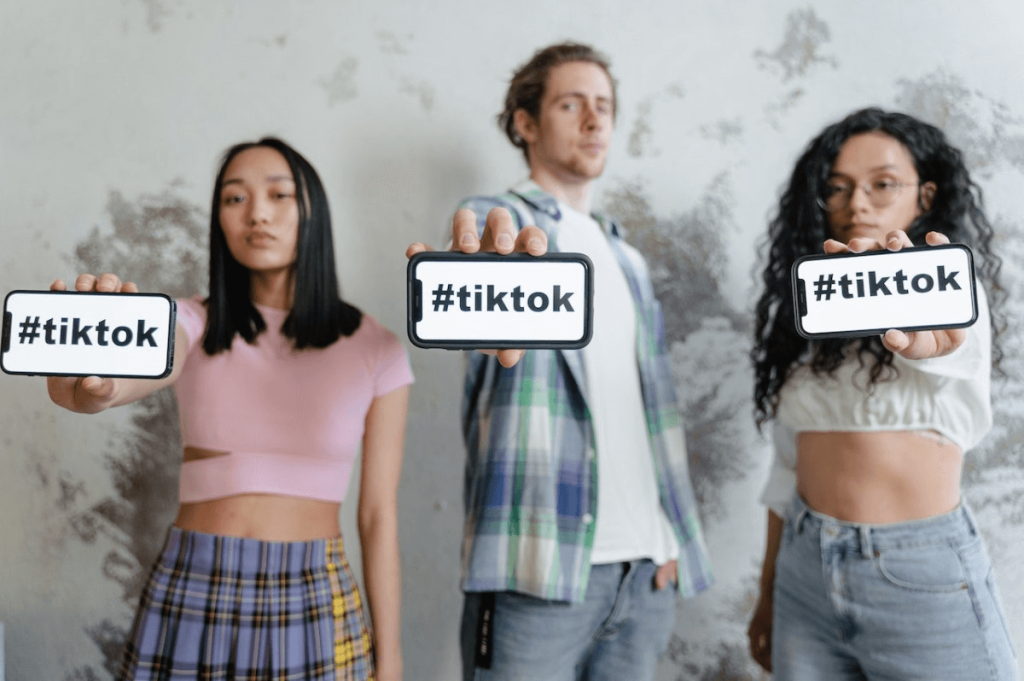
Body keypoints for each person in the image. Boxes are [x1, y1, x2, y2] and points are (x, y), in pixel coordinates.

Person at [48, 138, 411, 681]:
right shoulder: (192, 322)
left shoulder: (377, 349)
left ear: (314, 210)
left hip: (315, 592)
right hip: (193, 583)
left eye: (279, 195)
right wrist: (95, 386)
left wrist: (392, 658)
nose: (256, 213)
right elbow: (144, 362)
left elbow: (378, 517)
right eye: (234, 199)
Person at [408, 42, 712, 681]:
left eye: (604, 107)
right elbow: (467, 287)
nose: (595, 121)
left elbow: (655, 412)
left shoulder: (627, 258)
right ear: (526, 123)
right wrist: (468, 280)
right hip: (535, 570)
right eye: (572, 104)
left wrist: (673, 537)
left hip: (646, 575)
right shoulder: (498, 221)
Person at [748, 107, 1017, 680]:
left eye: (882, 184)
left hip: (918, 573)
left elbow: (954, 345)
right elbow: (784, 472)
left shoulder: (946, 290)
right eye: (837, 188)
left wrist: (926, 340)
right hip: (803, 570)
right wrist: (768, 589)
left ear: (925, 197)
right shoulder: (807, 312)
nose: (857, 203)